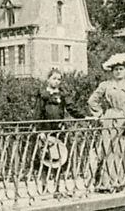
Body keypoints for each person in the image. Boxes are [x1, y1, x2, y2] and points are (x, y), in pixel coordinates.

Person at [88, 53, 125, 193]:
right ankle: (110, 182)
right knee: (112, 150)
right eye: (115, 69)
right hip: (112, 119)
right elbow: (92, 101)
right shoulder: (106, 86)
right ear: (112, 72)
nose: (118, 72)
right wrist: (100, 115)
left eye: (121, 69)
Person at [33, 68, 86, 197]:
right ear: (48, 79)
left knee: (59, 159)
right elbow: (37, 112)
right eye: (54, 78)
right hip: (45, 130)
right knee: (43, 159)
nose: (56, 81)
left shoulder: (62, 95)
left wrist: (84, 116)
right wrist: (39, 130)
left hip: (59, 130)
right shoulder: (42, 95)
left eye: (58, 79)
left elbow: (71, 108)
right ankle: (44, 188)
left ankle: (57, 189)